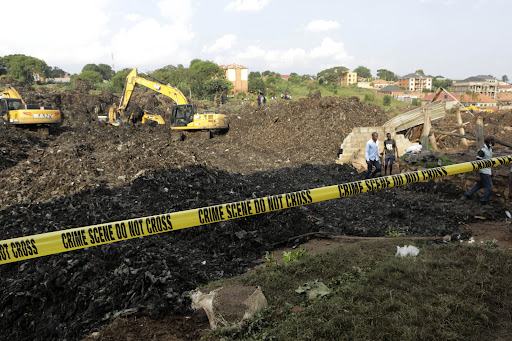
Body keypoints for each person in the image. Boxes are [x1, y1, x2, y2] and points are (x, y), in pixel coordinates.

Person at [461, 135, 496, 206]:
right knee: (489, 188)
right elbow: (477, 163)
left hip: (487, 171)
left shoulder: (490, 150)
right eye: (493, 141)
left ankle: (466, 195)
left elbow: (490, 162)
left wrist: (492, 172)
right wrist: (478, 175)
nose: (495, 142)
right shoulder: (482, 151)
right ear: (490, 142)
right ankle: (483, 202)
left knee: (479, 185)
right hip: (483, 172)